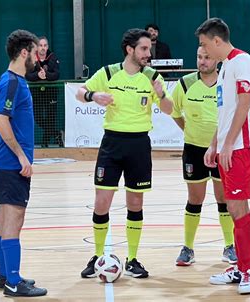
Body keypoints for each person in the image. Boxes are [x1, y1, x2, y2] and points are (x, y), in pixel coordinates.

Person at [76, 28, 173, 279]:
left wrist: (161, 93)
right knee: (102, 202)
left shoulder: (152, 76)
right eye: (143, 49)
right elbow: (79, 92)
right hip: (112, 144)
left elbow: (169, 108)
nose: (148, 54)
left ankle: (132, 258)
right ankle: (98, 257)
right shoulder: (108, 72)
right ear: (130, 49)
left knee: (136, 203)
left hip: (139, 145)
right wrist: (93, 95)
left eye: (148, 49)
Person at [196, 18, 250, 294]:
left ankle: (249, 272)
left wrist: (229, 144)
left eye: (204, 44)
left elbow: (245, 103)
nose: (204, 49)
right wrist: (214, 144)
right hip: (227, 147)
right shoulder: (224, 69)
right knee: (233, 209)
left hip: (241, 148)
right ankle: (240, 268)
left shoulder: (241, 60)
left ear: (217, 41)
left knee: (238, 207)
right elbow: (225, 113)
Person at [0, 29, 47, 297]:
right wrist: (22, 156)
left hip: (7, 163)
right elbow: (1, 121)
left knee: (5, 217)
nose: (38, 58)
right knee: (15, 217)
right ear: (24, 52)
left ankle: (5, 275)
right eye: (36, 52)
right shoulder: (12, 82)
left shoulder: (15, 81)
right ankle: (13, 282)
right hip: (12, 163)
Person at [171, 46, 237, 267]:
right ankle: (188, 248)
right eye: (199, 57)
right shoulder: (185, 83)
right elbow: (174, 112)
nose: (202, 61)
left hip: (221, 151)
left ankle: (230, 246)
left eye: (207, 58)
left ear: (217, 60)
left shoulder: (226, 83)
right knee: (195, 200)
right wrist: (189, 131)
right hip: (194, 150)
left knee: (224, 199)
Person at [25, 36, 62, 148]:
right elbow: (27, 75)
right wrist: (38, 75)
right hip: (36, 93)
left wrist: (46, 75)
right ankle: (56, 134)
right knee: (37, 117)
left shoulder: (53, 57)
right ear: (37, 47)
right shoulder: (32, 58)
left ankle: (44, 142)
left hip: (51, 92)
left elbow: (56, 74)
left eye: (45, 45)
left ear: (47, 47)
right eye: (40, 45)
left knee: (51, 117)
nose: (43, 48)